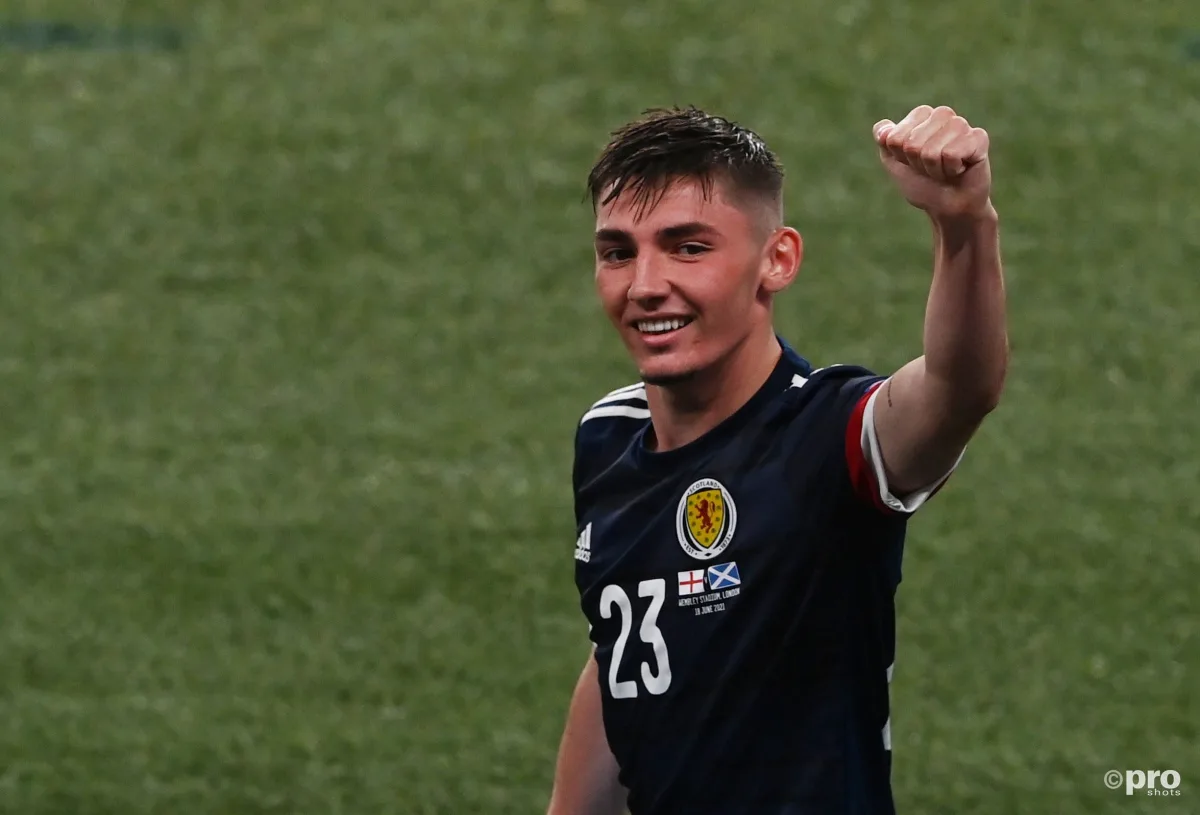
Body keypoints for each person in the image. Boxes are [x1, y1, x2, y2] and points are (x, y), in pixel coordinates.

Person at [546, 105, 1008, 815]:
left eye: (687, 247)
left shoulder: (828, 437)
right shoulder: (609, 436)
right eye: (617, 252)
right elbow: (623, 649)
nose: (643, 285)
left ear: (778, 259)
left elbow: (959, 387)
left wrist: (964, 224)